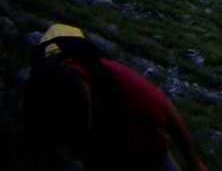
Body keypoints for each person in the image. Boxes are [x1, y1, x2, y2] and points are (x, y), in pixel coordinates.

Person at [23, 23, 208, 171]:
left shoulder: (117, 79)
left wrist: (195, 162)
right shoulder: (42, 102)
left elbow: (167, 111)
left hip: (151, 158)